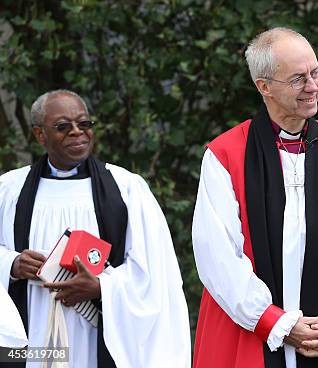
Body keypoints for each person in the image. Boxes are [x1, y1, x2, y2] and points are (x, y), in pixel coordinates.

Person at [191, 27, 318, 367]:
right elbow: (219, 256)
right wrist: (279, 324)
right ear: (264, 86)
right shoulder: (226, 156)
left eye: (316, 72)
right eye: (298, 78)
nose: (313, 86)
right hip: (256, 338)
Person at [0, 90, 191, 367]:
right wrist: (12, 264)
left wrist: (102, 286)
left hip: (98, 334)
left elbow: (155, 272)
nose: (77, 132)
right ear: (40, 135)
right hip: (33, 335)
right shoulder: (9, 190)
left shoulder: (127, 189)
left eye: (84, 124)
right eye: (63, 127)